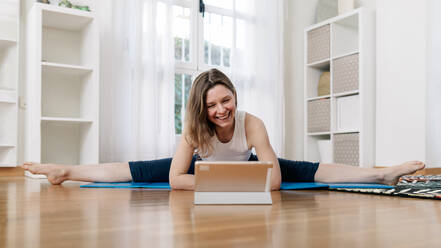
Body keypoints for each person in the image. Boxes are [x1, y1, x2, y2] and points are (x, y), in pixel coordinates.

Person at [22, 69, 425, 189]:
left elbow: (276, 179)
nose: (221, 110)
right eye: (212, 105)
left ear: (235, 95)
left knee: (312, 168)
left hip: (247, 165)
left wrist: (237, 181)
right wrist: (220, 183)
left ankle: (382, 172)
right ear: (202, 108)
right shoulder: (195, 130)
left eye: (226, 100)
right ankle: (67, 170)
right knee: (136, 168)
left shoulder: (252, 123)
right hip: (208, 167)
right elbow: (175, 178)